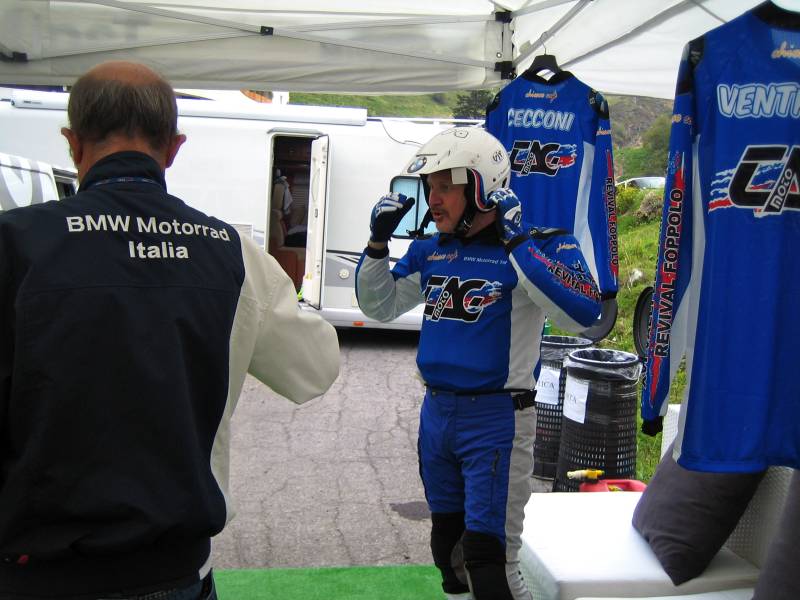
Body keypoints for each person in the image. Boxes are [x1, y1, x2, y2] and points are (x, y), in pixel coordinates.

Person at [0, 61, 340, 600]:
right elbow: (315, 369)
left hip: (34, 575)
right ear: (174, 148)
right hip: (174, 571)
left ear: (73, 143)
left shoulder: (14, 240)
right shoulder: (232, 252)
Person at [355, 127, 601, 600]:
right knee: (449, 554)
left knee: (490, 565)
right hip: (437, 415)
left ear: (483, 185)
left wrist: (519, 243)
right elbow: (378, 306)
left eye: (445, 187)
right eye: (430, 187)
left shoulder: (543, 245)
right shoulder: (431, 249)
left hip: (497, 420)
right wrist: (377, 245)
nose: (433, 199)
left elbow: (584, 316)